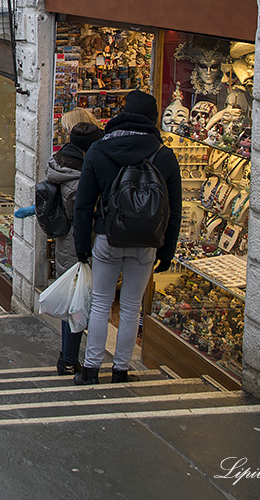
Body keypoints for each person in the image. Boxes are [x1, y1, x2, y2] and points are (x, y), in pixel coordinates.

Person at [72, 90, 182, 385]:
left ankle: (91, 369)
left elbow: (84, 204)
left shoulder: (99, 150)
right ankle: (121, 370)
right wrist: (167, 252)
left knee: (101, 303)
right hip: (146, 243)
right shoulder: (164, 155)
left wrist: (82, 246)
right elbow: (173, 209)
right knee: (131, 307)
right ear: (153, 119)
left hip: (108, 237)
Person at [34, 121, 103, 375]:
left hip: (67, 244)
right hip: (79, 247)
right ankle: (70, 359)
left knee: (75, 302)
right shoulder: (78, 179)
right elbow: (83, 215)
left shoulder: (61, 165)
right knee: (79, 303)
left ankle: (67, 356)